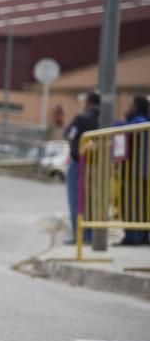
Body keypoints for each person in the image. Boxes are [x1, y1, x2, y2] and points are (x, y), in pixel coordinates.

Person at [64, 92, 100, 245]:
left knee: (76, 200)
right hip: (98, 165)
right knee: (93, 201)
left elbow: (69, 135)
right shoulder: (105, 119)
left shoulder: (81, 118)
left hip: (79, 163)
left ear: (88, 102)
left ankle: (79, 235)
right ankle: (91, 234)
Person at [116, 95, 150, 246]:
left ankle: (133, 237)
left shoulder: (138, 123)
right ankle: (141, 236)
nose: (127, 108)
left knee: (131, 205)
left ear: (136, 107)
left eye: (130, 105)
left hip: (134, 173)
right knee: (142, 206)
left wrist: (117, 123)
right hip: (141, 173)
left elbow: (121, 129)